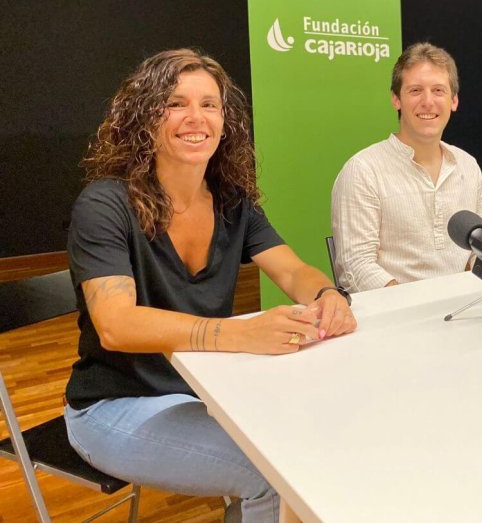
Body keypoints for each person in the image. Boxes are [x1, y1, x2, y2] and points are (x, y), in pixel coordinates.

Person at [64, 48, 356, 522]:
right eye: (176, 103)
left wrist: (328, 296)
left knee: (318, 435)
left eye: (210, 104)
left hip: (205, 390)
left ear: (225, 120)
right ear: (144, 116)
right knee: (276, 474)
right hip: (112, 407)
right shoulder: (104, 204)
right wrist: (241, 334)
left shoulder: (232, 202)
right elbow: (116, 325)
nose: (195, 117)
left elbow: (294, 271)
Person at [331, 42, 482, 291]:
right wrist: (415, 304)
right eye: (416, 90)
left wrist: (468, 291)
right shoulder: (363, 170)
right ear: (396, 99)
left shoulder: (467, 165)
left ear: (454, 101)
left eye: (438, 90)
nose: (428, 101)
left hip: (463, 306)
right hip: (396, 316)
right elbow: (356, 266)